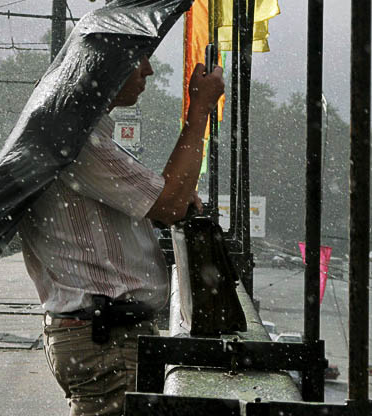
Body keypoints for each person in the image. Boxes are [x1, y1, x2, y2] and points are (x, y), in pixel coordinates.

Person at [18, 56, 224, 416]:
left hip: (98, 334)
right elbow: (171, 202)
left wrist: (166, 201)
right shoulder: (77, 142)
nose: (148, 71)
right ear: (106, 67)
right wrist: (201, 108)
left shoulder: (74, 134)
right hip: (105, 340)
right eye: (139, 60)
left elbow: (162, 200)